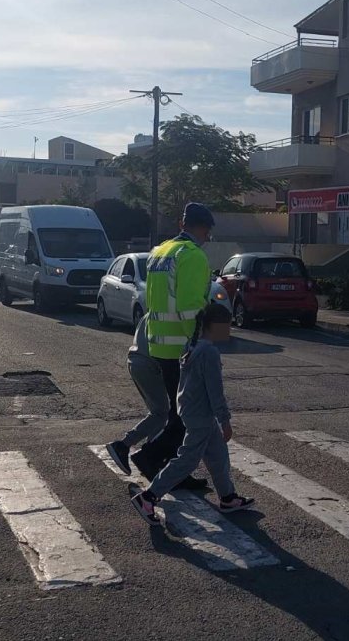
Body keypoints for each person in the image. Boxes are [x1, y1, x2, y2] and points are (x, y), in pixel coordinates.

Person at [130, 304, 254, 525]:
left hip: (191, 410)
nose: (229, 331)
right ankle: (148, 497)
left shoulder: (192, 344)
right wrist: (225, 420)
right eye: (227, 326)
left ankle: (228, 497)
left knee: (218, 455)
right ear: (215, 326)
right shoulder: (209, 352)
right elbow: (215, 390)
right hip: (201, 414)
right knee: (187, 460)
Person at [129, 202, 215, 488]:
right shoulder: (192, 255)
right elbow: (190, 307)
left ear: (182, 224)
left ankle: (173, 471)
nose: (208, 238)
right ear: (204, 229)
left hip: (159, 344)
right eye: (208, 232)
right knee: (188, 418)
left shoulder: (160, 251)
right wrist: (197, 346)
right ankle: (150, 458)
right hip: (182, 347)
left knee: (179, 415)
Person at [103, 316, 168, 475]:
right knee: (161, 413)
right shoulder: (169, 314)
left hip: (136, 359)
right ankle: (124, 445)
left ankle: (151, 458)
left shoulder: (154, 312)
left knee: (158, 413)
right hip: (149, 364)